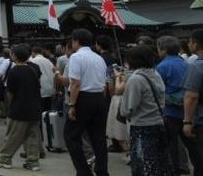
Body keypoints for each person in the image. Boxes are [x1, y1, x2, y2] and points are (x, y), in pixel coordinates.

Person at [118, 45, 171, 176]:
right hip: (159, 123)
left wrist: (123, 112)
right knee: (159, 162)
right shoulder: (155, 74)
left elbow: (128, 108)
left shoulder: (136, 79)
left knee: (143, 164)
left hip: (142, 126)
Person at [65, 28, 109, 176]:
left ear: (76, 41)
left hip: (83, 98)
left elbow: (75, 83)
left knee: (71, 136)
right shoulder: (99, 58)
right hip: (99, 97)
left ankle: (83, 171)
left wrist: (72, 104)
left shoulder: (76, 57)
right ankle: (102, 171)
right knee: (98, 137)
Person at [0, 45, 42, 171]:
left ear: (14, 55)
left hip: (19, 108)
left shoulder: (14, 71)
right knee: (32, 136)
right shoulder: (32, 70)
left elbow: (10, 92)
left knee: (14, 135)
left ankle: (5, 157)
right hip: (34, 108)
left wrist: (9, 108)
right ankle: (33, 161)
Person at [156, 35, 196, 175]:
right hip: (187, 111)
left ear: (163, 50)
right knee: (192, 145)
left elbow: (158, 91)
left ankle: (173, 171)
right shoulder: (187, 64)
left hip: (170, 111)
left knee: (171, 146)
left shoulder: (161, 67)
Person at [183, 29, 203, 175]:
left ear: (196, 45)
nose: (189, 44)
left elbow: (191, 96)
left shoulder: (196, 66)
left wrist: (187, 122)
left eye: (190, 42)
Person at [30, 45, 56, 112]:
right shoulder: (48, 61)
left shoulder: (33, 61)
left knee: (40, 111)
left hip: (40, 90)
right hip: (49, 89)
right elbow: (54, 71)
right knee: (48, 111)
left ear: (33, 52)